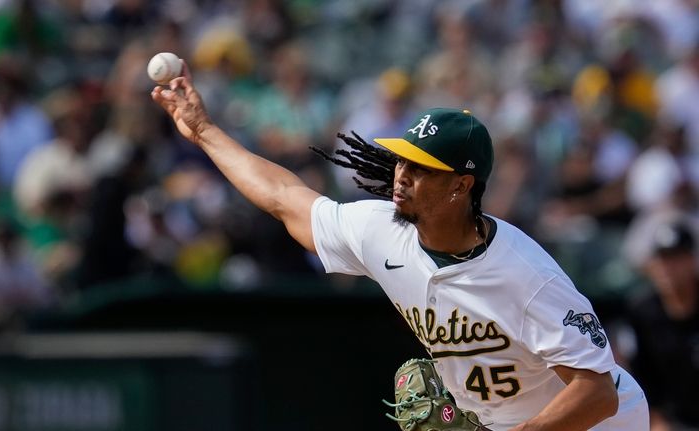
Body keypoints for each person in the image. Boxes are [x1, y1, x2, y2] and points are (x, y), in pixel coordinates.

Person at [151, 61, 649, 431]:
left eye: (420, 168)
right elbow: (284, 198)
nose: (401, 176)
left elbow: (596, 392)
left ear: (461, 186)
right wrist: (205, 131)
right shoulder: (381, 231)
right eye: (401, 162)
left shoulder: (526, 275)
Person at [623, 219, 699, 430]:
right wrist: (656, 420)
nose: (668, 268)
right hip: (673, 420)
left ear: (691, 261)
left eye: (676, 259)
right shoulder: (643, 312)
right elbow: (641, 374)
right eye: (662, 260)